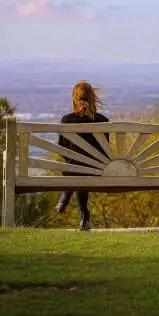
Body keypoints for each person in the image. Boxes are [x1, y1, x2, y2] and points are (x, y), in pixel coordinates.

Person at [55, 80, 109, 230]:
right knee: (83, 169)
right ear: (93, 98)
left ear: (74, 99)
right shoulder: (103, 121)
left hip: (73, 171)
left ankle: (67, 195)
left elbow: (62, 148)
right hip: (97, 170)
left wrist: (73, 160)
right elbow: (105, 150)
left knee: (75, 167)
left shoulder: (66, 121)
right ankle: (84, 217)